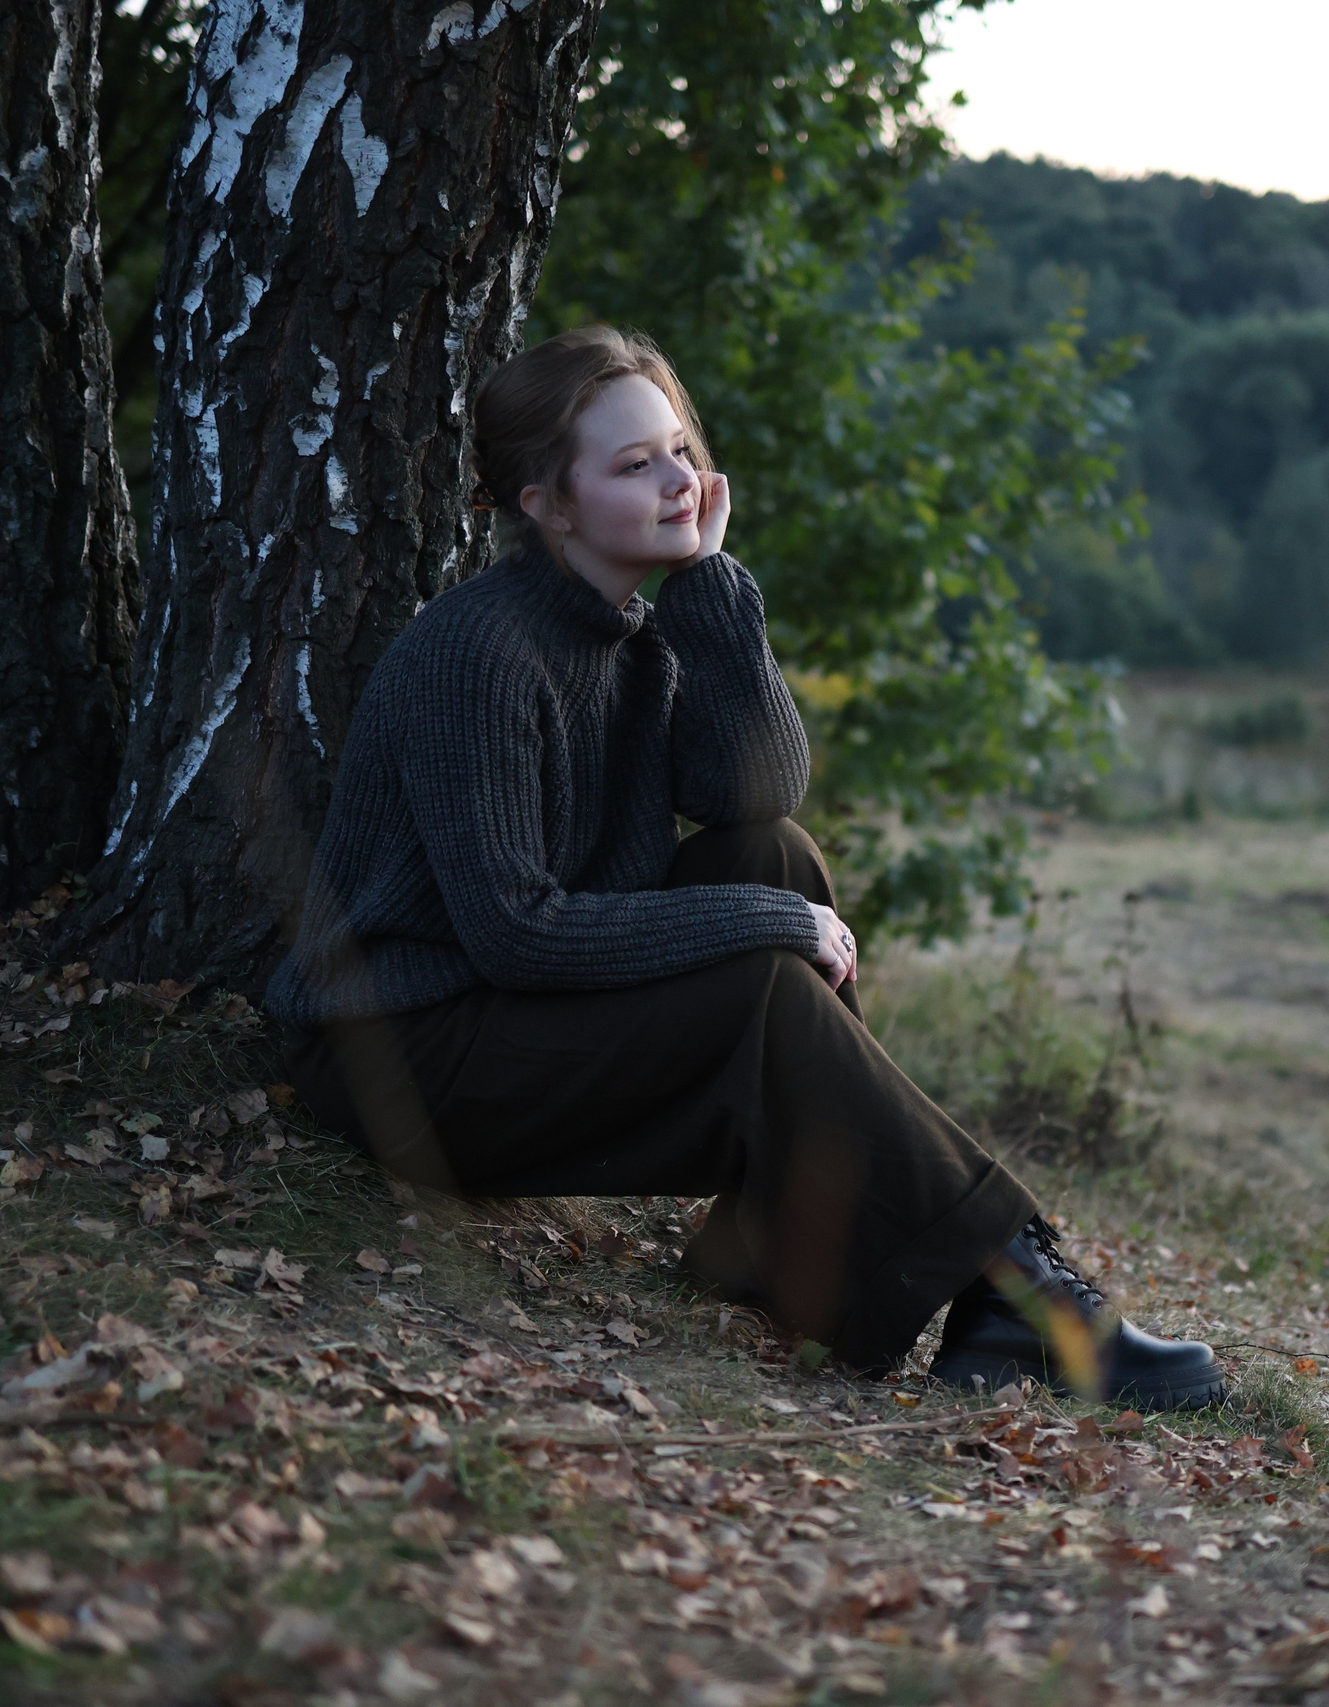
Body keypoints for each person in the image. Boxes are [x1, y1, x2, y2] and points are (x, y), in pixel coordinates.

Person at [266, 325, 1224, 1410]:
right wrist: (763, 925)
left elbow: (757, 795)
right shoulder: (478, 657)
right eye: (634, 465)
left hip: (502, 1009)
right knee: (764, 958)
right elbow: (515, 931)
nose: (680, 479)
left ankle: (782, 1242)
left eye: (679, 449)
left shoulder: (636, 631)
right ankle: (1021, 1292)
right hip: (406, 1050)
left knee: (776, 855)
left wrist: (712, 583)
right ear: (546, 503)